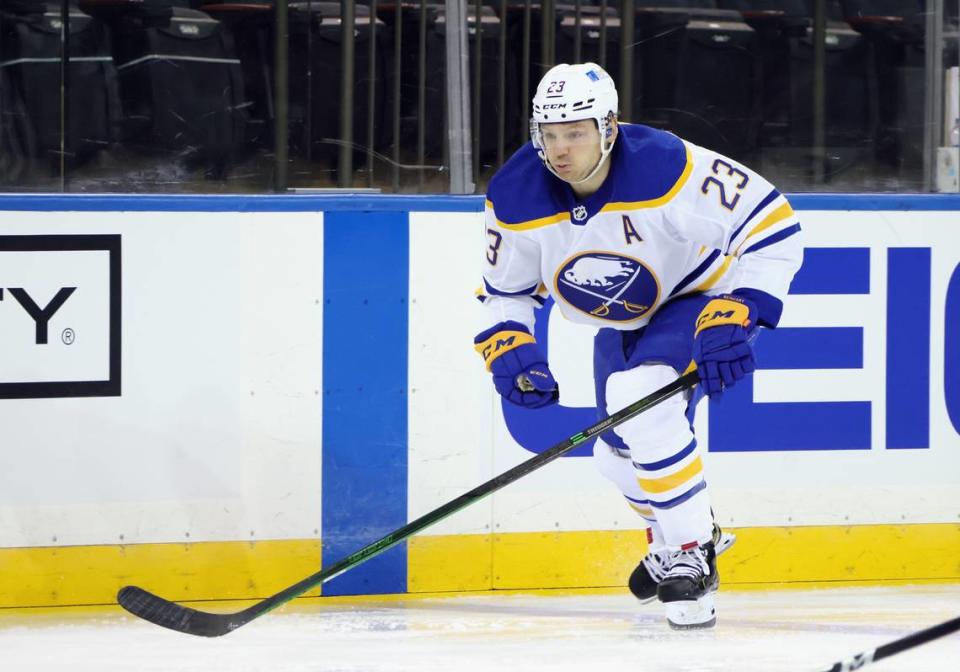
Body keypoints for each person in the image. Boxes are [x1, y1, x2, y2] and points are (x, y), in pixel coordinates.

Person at [474, 63, 803, 629]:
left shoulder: (664, 165)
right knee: (614, 454)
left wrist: (741, 306)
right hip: (625, 320)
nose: (560, 149)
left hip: (697, 297)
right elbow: (505, 292)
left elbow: (772, 225)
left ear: (609, 126)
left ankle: (692, 552)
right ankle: (684, 532)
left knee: (639, 398)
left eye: (575, 132)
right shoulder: (514, 192)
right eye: (548, 134)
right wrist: (510, 343)